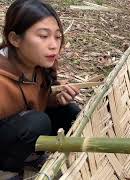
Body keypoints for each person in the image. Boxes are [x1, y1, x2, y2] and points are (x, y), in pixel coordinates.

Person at [0, 0, 81, 179]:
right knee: (37, 122)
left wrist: (55, 99)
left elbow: (34, 100)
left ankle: (31, 157)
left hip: (23, 132)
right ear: (15, 39)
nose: (53, 45)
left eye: (57, 36)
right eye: (43, 36)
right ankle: (7, 171)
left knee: (71, 112)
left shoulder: (39, 66)